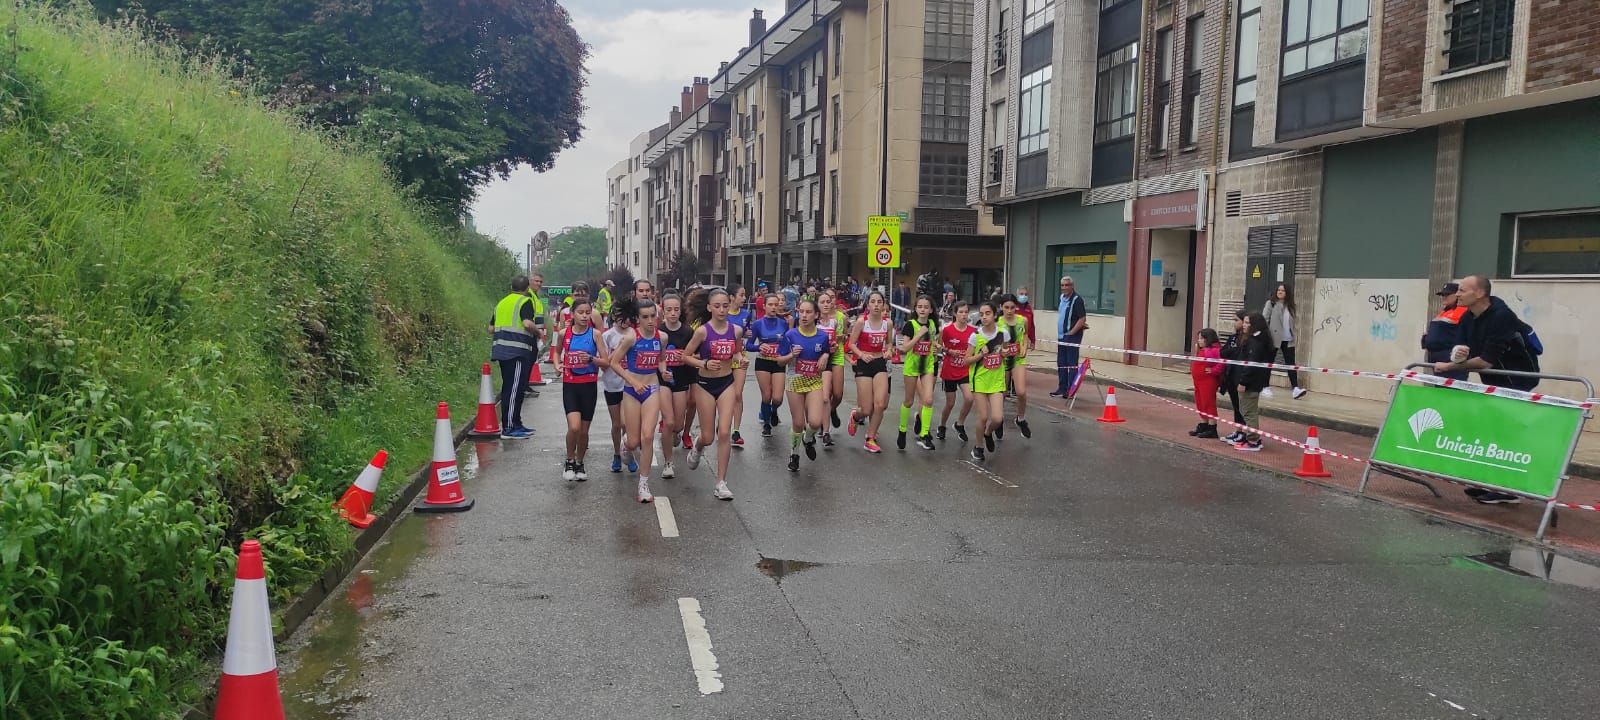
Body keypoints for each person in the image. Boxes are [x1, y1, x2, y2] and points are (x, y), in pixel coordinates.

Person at [1432, 274, 1542, 505]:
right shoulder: (1467, 318)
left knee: (1507, 432)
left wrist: (1449, 366)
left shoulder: (1501, 317)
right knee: (1495, 429)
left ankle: (1509, 490)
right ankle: (1493, 483)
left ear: (1480, 293)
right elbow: (1461, 349)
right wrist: (1458, 355)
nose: (1457, 294)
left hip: (1518, 378)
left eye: (1462, 290)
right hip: (1494, 379)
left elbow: (1486, 361)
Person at [682, 288, 741, 500]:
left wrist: (739, 359)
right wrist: (704, 362)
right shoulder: (702, 332)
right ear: (709, 307)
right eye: (717, 306)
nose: (722, 309)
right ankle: (698, 445)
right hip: (705, 384)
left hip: (726, 383)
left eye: (725, 305)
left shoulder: (736, 330)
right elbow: (686, 357)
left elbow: (737, 351)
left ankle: (721, 482)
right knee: (708, 437)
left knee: (724, 432)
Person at [607, 297, 667, 503]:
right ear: (638, 319)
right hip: (632, 391)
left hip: (652, 388)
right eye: (645, 317)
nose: (651, 320)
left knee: (648, 437)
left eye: (653, 316)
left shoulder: (662, 337)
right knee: (634, 441)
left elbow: (661, 359)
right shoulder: (631, 338)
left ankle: (643, 484)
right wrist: (632, 380)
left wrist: (664, 371)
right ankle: (625, 445)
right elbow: (613, 363)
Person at [554, 298, 608, 480]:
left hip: (589, 386)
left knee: (584, 431)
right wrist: (557, 365)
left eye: (587, 313)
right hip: (570, 386)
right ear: (573, 314)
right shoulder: (564, 333)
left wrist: (591, 359)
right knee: (574, 427)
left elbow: (606, 362)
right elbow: (556, 351)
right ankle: (569, 460)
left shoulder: (595, 335)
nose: (585, 316)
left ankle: (579, 462)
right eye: (581, 312)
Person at [777, 298, 833, 471]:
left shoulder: (823, 336)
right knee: (798, 422)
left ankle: (808, 439)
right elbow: (780, 361)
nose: (804, 315)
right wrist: (791, 356)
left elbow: (826, 352)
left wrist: (825, 356)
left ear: (816, 315)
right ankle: (794, 454)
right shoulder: (790, 335)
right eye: (801, 311)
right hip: (794, 381)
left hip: (814, 382)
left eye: (808, 312)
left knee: (815, 422)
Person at [488, 275, 539, 439]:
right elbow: (527, 324)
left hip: (501, 350)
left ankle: (516, 423)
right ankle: (509, 427)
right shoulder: (525, 301)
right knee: (514, 389)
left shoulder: (501, 303)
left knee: (510, 387)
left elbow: (490, 328)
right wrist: (538, 333)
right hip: (517, 351)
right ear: (526, 289)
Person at [847, 290, 894, 453]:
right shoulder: (861, 322)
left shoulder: (888, 323)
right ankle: (855, 415)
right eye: (873, 302)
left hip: (879, 363)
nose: (876, 305)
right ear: (867, 305)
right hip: (864, 364)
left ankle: (870, 438)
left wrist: (889, 351)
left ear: (883, 305)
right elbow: (851, 344)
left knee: (880, 404)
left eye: (879, 302)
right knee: (866, 409)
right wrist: (861, 354)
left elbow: (889, 344)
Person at [966, 301, 1011, 461]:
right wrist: (981, 354)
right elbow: (966, 360)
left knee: (998, 418)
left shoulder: (1003, 333)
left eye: (987, 313)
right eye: (982, 314)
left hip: (996, 381)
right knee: (983, 417)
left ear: (994, 315)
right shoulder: (975, 336)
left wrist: (1005, 353)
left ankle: (988, 433)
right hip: (979, 380)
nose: (984, 317)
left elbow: (1004, 352)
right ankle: (978, 447)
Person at [657, 293, 695, 480]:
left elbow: (695, 356)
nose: (673, 313)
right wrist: (661, 368)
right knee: (669, 421)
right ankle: (668, 463)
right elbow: (653, 355)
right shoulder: (658, 331)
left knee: (678, 425)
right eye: (669, 310)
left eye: (676, 310)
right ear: (663, 310)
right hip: (662, 380)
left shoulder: (688, 332)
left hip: (681, 380)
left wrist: (686, 357)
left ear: (681, 311)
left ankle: (673, 434)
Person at [895, 295, 940, 451]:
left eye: (926, 307)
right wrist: (919, 335)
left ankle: (924, 434)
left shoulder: (933, 324)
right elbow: (904, 348)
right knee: (909, 401)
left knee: (928, 400)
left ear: (931, 310)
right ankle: (902, 430)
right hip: (912, 367)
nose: (923, 309)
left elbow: (933, 341)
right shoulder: (910, 325)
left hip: (927, 366)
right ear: (915, 309)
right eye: (920, 306)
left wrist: (936, 346)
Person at [1232, 312, 1276, 452]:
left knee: (1249, 411)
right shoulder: (1254, 339)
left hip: (1251, 383)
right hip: (1252, 382)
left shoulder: (1256, 343)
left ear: (1254, 325)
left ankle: (1253, 441)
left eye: (1247, 323)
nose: (1243, 325)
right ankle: (1249, 436)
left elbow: (1251, 365)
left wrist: (1243, 382)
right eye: (1243, 322)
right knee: (1246, 410)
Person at [749, 293, 791, 437]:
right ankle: (766, 424)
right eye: (770, 305)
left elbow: (787, 342)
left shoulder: (784, 323)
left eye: (776, 304)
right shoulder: (757, 324)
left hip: (778, 362)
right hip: (763, 362)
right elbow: (748, 344)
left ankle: (773, 411)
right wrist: (759, 347)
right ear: (764, 306)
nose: (773, 307)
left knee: (778, 398)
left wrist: (784, 354)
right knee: (766, 396)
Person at [600, 311, 635, 474]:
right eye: (621, 317)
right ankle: (617, 454)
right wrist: (620, 348)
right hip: (612, 384)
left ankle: (628, 452)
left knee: (627, 423)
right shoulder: (607, 336)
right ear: (614, 317)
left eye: (629, 317)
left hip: (630, 384)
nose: (626, 321)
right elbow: (604, 364)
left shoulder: (635, 334)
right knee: (617, 424)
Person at [937, 300, 976, 442]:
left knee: (969, 398)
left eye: (966, 312)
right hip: (949, 370)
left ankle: (959, 423)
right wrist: (948, 350)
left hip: (965, 370)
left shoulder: (973, 331)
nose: (964, 315)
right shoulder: (947, 330)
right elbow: (937, 345)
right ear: (955, 314)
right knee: (950, 403)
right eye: (961, 312)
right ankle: (942, 425)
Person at [816, 289, 850, 446]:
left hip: (836, 355)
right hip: (820, 357)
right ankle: (824, 428)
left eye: (830, 299)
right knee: (825, 394)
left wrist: (839, 340)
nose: (827, 302)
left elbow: (842, 336)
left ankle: (829, 411)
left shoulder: (840, 318)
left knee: (837, 394)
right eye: (823, 300)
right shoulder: (813, 318)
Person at [1263, 284, 1306, 399]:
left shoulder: (1291, 306)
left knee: (1291, 364)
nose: (1280, 292)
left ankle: (1295, 388)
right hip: (1274, 338)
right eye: (1278, 290)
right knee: (1269, 362)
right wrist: (1266, 336)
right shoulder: (1271, 304)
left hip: (1288, 339)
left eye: (1283, 290)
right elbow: (1264, 320)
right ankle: (1265, 386)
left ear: (1287, 292)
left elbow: (1293, 322)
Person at [1000, 294, 1034, 439]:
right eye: (1006, 307)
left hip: (1018, 359)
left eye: (1012, 307)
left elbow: (1025, 335)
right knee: (1002, 392)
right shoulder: (997, 322)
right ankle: (998, 420)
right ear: (1001, 308)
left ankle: (1020, 419)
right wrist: (1002, 350)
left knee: (1021, 392)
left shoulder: (1023, 320)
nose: (1009, 310)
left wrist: (1024, 348)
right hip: (1002, 360)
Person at [1421, 281, 1469, 381]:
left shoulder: (1464, 311)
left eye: (1447, 294)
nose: (1443, 297)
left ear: (1457, 295)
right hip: (1438, 361)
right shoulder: (1445, 311)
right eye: (1442, 294)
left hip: (1451, 361)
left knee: (1452, 391)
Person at [1051, 276, 1088, 399]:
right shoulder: (1062, 298)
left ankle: (1070, 391)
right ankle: (1062, 388)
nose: (1064, 288)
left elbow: (1082, 318)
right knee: (1061, 363)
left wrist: (1072, 332)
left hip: (1072, 337)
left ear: (1072, 286)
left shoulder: (1077, 300)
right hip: (1061, 336)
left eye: (1067, 285)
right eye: (1062, 285)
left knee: (1071, 364)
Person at [1218, 310, 1251, 444]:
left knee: (1242, 406)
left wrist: (1233, 352)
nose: (1234, 323)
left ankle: (1244, 433)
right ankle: (1238, 431)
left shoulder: (1248, 339)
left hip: (1241, 376)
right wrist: (1232, 351)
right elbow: (1223, 352)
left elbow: (1242, 355)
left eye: (1236, 320)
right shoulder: (1233, 338)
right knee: (1236, 406)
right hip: (1230, 375)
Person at [726, 284, 752, 448]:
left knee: (737, 394)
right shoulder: (721, 314)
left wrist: (747, 334)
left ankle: (736, 431)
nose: (744, 298)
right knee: (724, 394)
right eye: (741, 295)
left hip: (740, 356)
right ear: (732, 297)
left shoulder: (746, 314)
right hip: (723, 358)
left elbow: (748, 334)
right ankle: (723, 425)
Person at [1188, 328, 1223, 439]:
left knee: (1208, 403)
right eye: (1199, 338)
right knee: (1200, 402)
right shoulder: (1203, 349)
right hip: (1198, 381)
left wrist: (1213, 371)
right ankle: (1204, 424)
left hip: (1208, 381)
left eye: (1202, 338)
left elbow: (1221, 364)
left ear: (1208, 339)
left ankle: (1212, 428)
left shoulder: (1214, 350)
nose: (1199, 341)